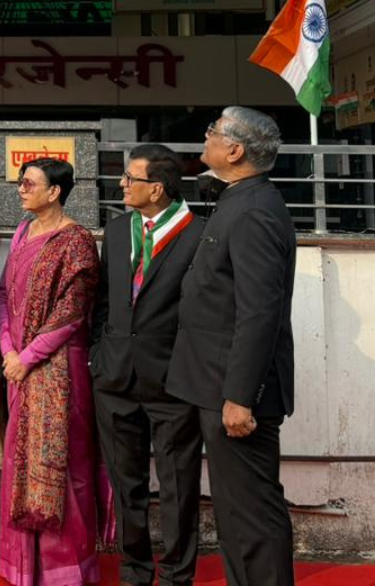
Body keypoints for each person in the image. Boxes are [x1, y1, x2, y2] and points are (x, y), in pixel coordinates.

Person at [167, 107, 296, 586]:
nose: (206, 136)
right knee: (235, 513)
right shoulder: (237, 200)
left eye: (214, 131)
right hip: (215, 384)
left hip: (236, 393)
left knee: (251, 515)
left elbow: (259, 312)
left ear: (236, 150)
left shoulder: (254, 210)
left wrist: (240, 396)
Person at [91, 144, 205, 586]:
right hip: (115, 377)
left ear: (156, 188)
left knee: (178, 485)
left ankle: (177, 574)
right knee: (126, 484)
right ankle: (135, 570)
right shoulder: (119, 230)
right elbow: (103, 301)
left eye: (130, 178)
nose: (121, 184)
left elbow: (206, 313)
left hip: (173, 381)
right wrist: (98, 356)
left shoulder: (198, 234)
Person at [0, 157, 103, 586]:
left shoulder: (77, 241)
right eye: (21, 183)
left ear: (55, 192)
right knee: (17, 462)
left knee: (65, 465)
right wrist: (9, 350)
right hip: (17, 368)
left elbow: (72, 312)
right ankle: (22, 568)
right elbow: (3, 295)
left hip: (59, 368)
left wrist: (28, 357)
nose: (21, 189)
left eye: (29, 183)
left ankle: (65, 572)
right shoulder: (22, 233)